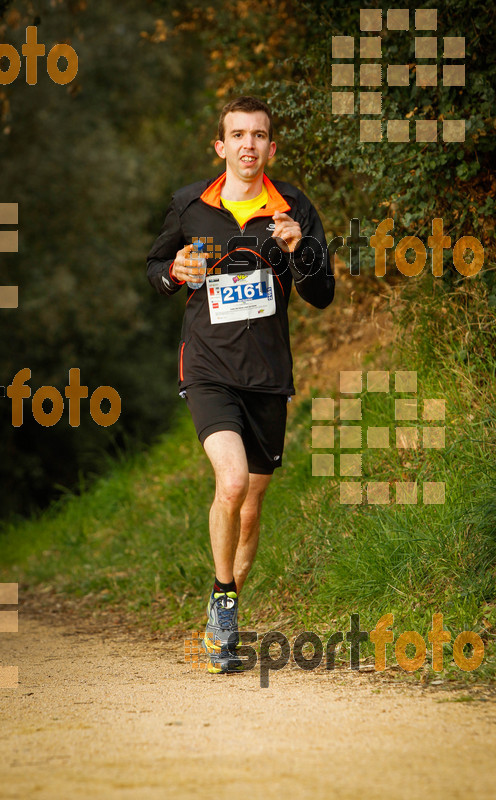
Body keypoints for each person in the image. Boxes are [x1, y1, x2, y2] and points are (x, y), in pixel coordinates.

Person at [147, 95, 334, 674]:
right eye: (238, 135)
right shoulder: (190, 206)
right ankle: (225, 605)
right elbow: (156, 269)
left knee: (250, 507)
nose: (248, 144)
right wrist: (174, 272)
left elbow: (322, 293)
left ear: (270, 148)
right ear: (221, 146)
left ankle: (219, 610)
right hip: (206, 368)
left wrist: (300, 250)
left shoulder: (293, 208)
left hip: (267, 376)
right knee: (229, 484)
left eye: (259, 135)